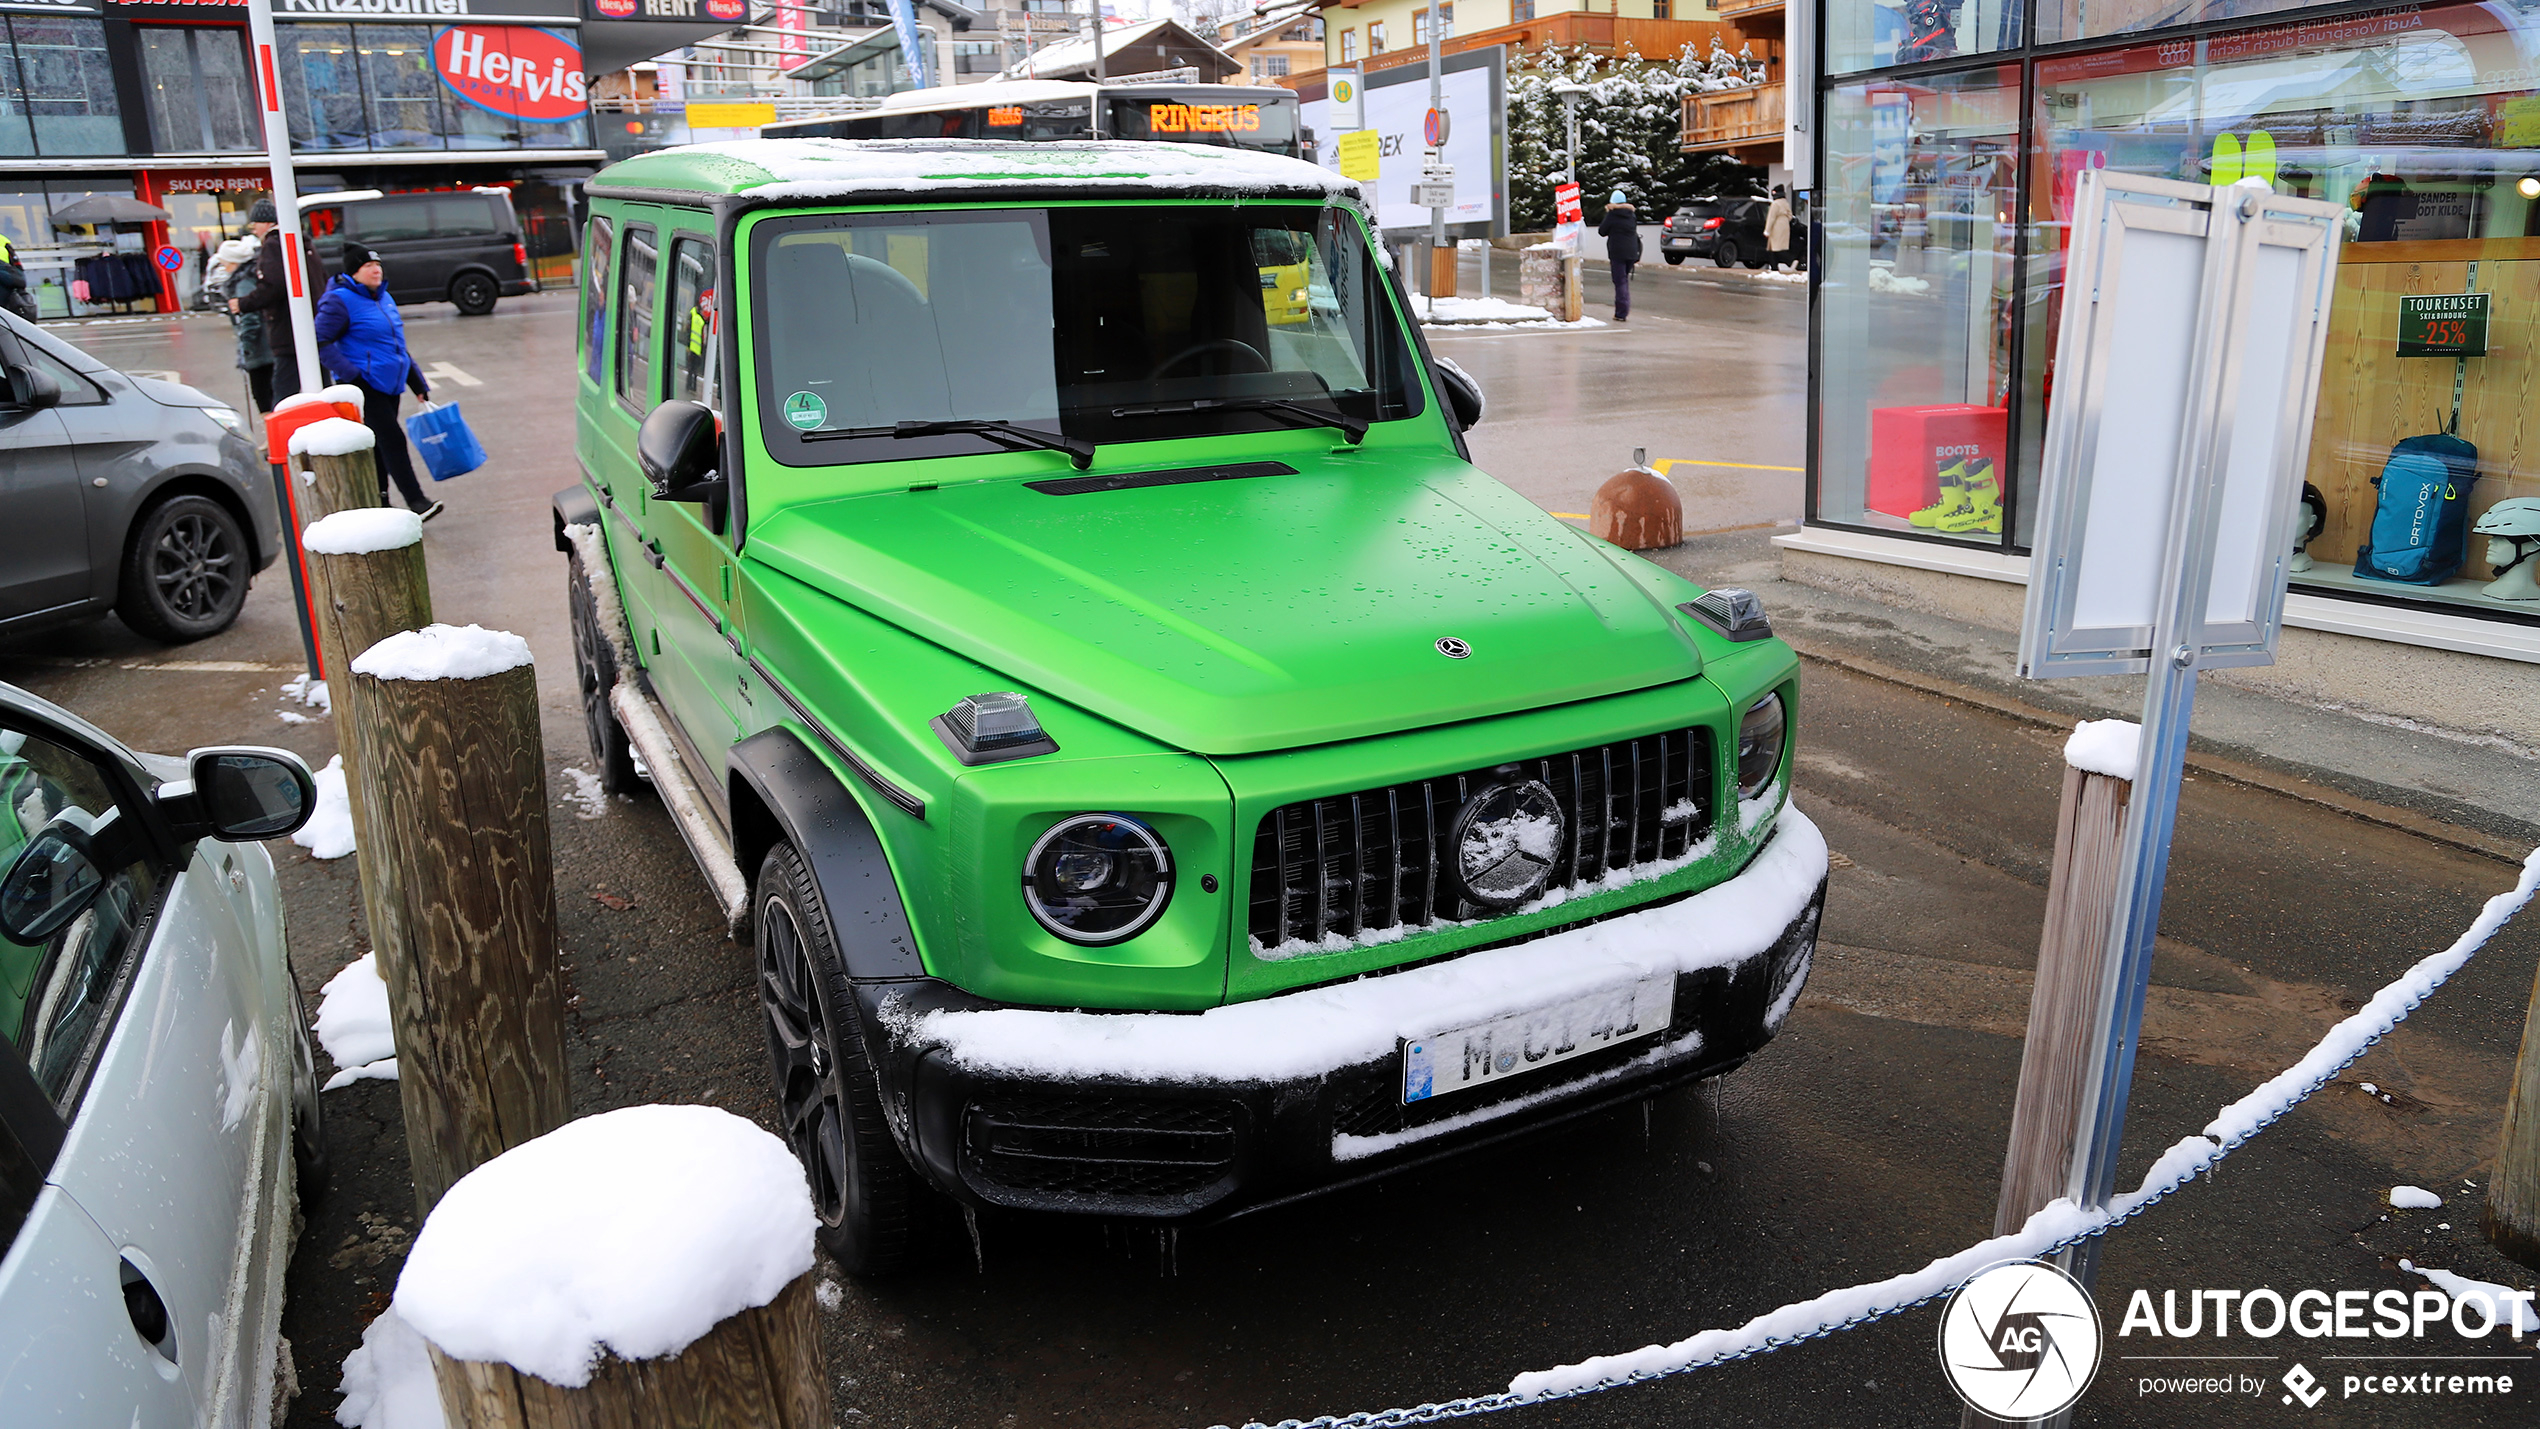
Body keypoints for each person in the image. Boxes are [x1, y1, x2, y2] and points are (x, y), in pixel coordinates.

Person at [314, 242, 442, 521]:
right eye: (368, 266)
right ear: (353, 272)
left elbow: (396, 346)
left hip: (390, 383)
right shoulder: (339, 300)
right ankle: (417, 500)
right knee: (392, 439)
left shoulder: (383, 297)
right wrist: (352, 374)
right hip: (365, 385)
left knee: (379, 445)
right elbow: (320, 341)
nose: (376, 270)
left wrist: (417, 383)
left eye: (378, 265)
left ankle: (380, 503)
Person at [231, 198, 304, 406]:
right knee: (313, 384)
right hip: (302, 328)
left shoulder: (273, 245)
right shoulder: (298, 241)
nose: (253, 228)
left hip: (286, 330)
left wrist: (243, 303)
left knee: (283, 393)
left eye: (255, 222)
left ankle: (283, 437)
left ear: (266, 222)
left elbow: (273, 286)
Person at [209, 236, 274, 413]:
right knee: (270, 392)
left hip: (260, 348)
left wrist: (246, 346)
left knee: (262, 394)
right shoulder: (253, 276)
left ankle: (272, 436)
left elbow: (250, 318)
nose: (223, 266)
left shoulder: (242, 283)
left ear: (232, 262)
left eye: (224, 262)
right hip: (268, 343)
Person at [1597, 188, 1641, 321]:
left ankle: (1621, 313)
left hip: (1617, 253)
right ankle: (1623, 309)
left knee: (1620, 282)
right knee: (1624, 280)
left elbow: (1602, 231)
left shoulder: (1612, 215)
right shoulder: (1631, 215)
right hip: (1632, 252)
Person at [1765, 184, 1795, 269]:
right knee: (1775, 249)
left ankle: (1790, 261)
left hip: (1776, 228)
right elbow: (1790, 215)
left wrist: (1767, 230)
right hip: (1784, 226)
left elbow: (1771, 218)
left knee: (1776, 249)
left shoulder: (1775, 204)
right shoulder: (1785, 203)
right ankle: (1774, 267)